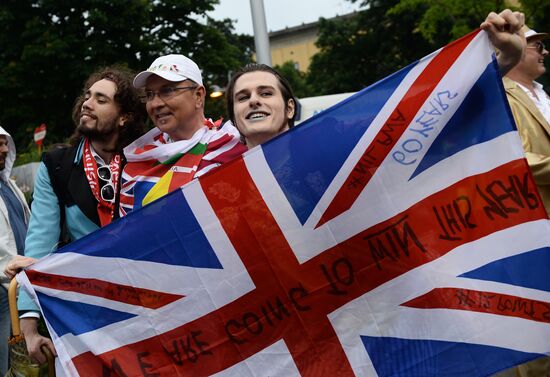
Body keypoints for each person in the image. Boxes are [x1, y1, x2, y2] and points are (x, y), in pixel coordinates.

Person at [4, 67, 146, 364]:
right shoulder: (58, 166)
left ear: (124, 116)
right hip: (83, 310)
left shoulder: (146, 161)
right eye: (87, 95)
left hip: (145, 301)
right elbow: (40, 244)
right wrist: (29, 325)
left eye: (101, 99)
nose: (87, 102)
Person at [225, 10, 526, 149]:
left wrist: (506, 59)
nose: (254, 100)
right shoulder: (216, 185)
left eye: (265, 93)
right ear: (235, 118)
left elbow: (422, 115)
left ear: (290, 108)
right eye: (242, 97)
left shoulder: (331, 142)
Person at [119, 54, 247, 215]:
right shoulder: (139, 162)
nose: (156, 103)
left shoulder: (237, 145)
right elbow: (129, 233)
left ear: (198, 96)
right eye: (150, 94)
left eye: (167, 91)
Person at [503, 26, 550, 214]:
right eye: (538, 46)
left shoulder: (544, 95)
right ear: (515, 51)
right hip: (536, 215)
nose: (545, 52)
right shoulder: (500, 98)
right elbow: (514, 158)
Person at [0, 126, 30, 375]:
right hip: (2, 292)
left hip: (21, 287)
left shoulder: (9, 185)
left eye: (5, 143)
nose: (4, 149)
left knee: (21, 357)